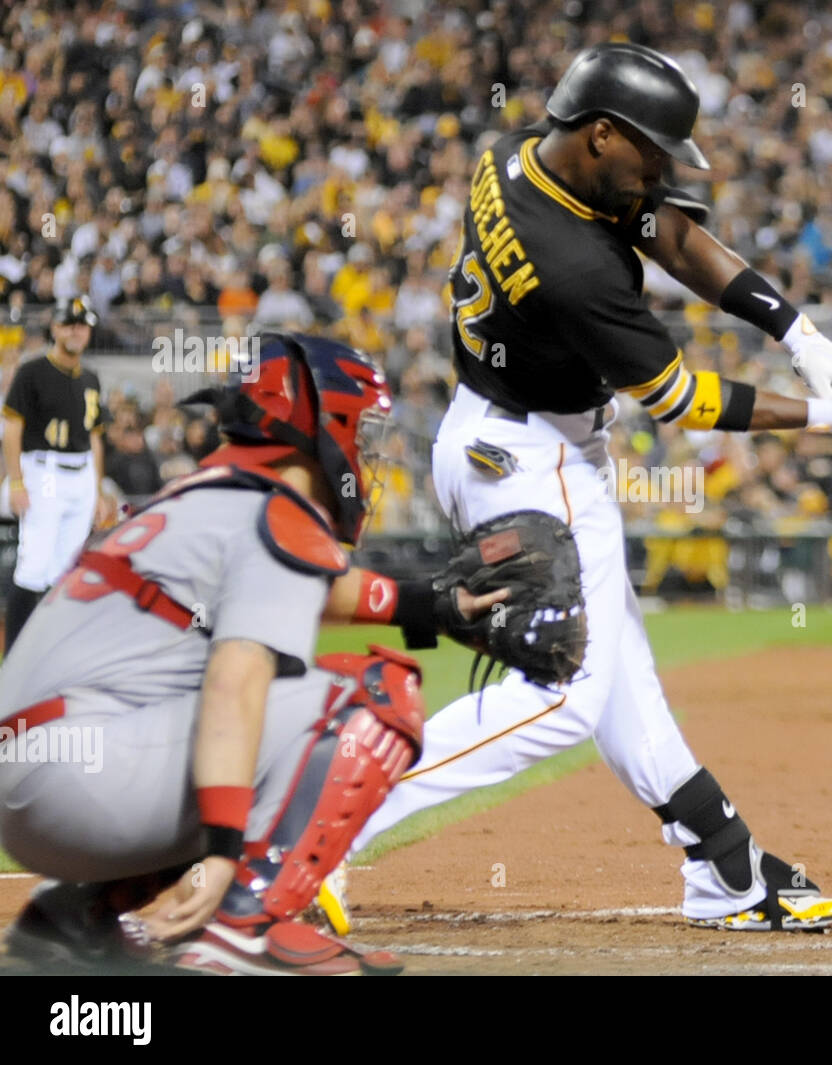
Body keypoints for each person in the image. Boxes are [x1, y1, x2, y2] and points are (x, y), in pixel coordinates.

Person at [349, 43, 832, 932]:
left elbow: (671, 233)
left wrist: (795, 330)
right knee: (566, 691)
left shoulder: (522, 153)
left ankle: (724, 863)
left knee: (620, 674)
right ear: (602, 136)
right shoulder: (571, 264)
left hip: (504, 433)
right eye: (651, 153)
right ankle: (327, 821)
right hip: (528, 457)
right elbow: (681, 397)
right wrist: (828, 420)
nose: (662, 172)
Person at [0, 333, 520, 974]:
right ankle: (242, 929)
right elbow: (235, 680)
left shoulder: (205, 497)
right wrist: (223, 852)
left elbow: (311, 587)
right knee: (373, 694)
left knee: (275, 708)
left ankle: (76, 918)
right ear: (319, 424)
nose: (366, 451)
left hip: (43, 779)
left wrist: (434, 606)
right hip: (87, 784)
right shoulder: (275, 511)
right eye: (362, 429)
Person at [1, 297, 115, 650]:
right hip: (43, 470)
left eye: (82, 325)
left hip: (80, 472)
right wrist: (16, 481)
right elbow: (13, 430)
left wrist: (96, 490)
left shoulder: (91, 377)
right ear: (55, 328)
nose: (76, 331)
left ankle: (53, 652)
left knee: (66, 571)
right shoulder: (33, 371)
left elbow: (95, 437)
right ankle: (17, 655)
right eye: (69, 324)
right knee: (33, 567)